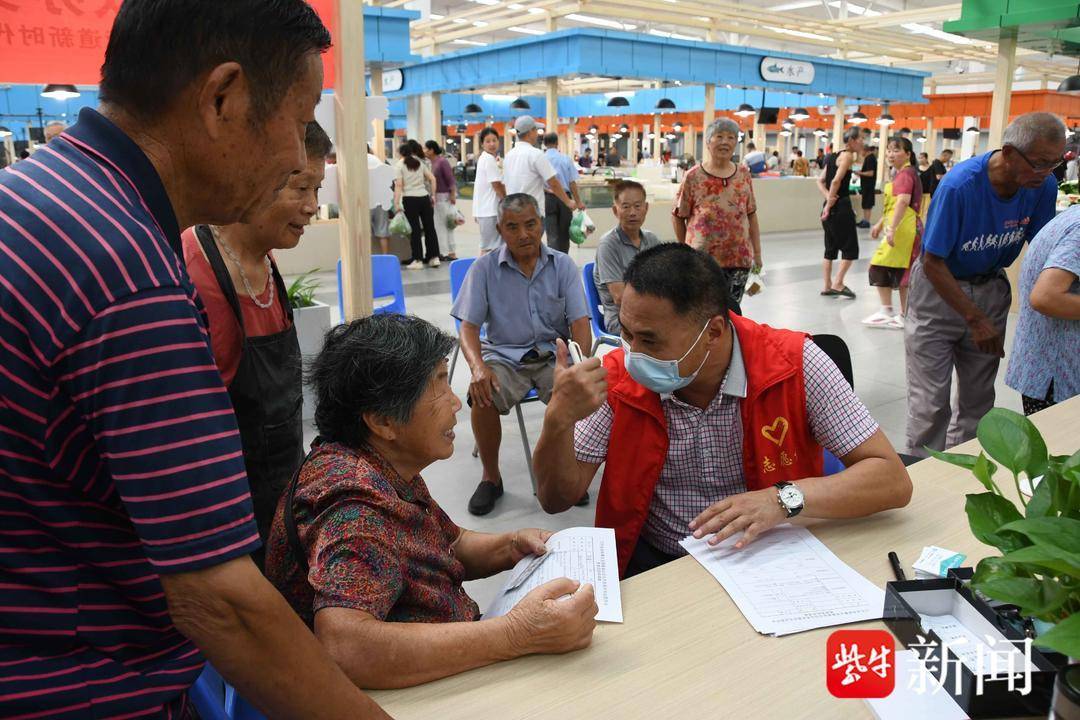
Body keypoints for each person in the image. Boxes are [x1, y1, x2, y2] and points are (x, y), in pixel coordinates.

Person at [0, 1, 388, 718]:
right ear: (223, 99)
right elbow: (221, 603)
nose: (299, 164)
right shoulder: (126, 269)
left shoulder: (39, 194)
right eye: (296, 123)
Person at [532, 244, 913, 577]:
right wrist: (557, 421)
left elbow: (892, 481)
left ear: (713, 332)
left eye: (650, 340)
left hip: (768, 555)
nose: (633, 353)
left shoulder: (793, 364)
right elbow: (556, 499)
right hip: (660, 563)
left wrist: (782, 499)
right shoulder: (617, 380)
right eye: (627, 333)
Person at [265, 314, 598, 689]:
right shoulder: (355, 511)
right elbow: (347, 645)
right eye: (438, 388)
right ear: (383, 421)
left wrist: (510, 545)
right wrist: (517, 633)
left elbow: (448, 543)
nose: (456, 403)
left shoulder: (380, 462)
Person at [181, 121, 330, 570]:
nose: (312, 207)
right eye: (301, 187)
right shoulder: (193, 270)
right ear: (253, 174)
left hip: (282, 501)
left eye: (318, 189)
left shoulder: (266, 260)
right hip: (224, 523)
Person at [906, 112, 1063, 457]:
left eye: (1055, 164)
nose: (1046, 173)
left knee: (979, 400)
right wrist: (974, 319)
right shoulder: (959, 186)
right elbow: (932, 262)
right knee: (930, 404)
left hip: (990, 288)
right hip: (940, 290)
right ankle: (918, 481)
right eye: (1039, 163)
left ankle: (964, 478)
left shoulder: (1042, 186)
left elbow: (1043, 247)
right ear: (1008, 152)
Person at [451, 194, 592, 516]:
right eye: (513, 227)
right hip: (504, 354)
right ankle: (492, 478)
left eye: (530, 224)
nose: (524, 234)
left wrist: (577, 363)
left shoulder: (563, 265)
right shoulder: (484, 269)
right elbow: (468, 328)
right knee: (483, 393)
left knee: (572, 393)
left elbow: (580, 322)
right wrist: (477, 368)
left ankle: (564, 475)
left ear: (541, 224)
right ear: (500, 230)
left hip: (551, 354)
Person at [673, 118, 762, 306]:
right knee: (704, 310)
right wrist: (685, 251)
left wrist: (758, 255)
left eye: (731, 137)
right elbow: (678, 215)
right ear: (707, 142)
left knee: (732, 311)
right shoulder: (693, 176)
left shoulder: (744, 174)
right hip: (702, 260)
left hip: (739, 259)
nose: (725, 142)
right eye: (719, 136)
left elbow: (751, 214)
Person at [1005, 206, 1080, 415]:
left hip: (1052, 367)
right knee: (1060, 445)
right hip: (1057, 376)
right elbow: (1045, 297)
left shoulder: (1073, 216)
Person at [863, 136, 922, 330]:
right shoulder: (899, 174)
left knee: (892, 268)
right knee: (895, 269)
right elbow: (892, 206)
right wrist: (881, 224)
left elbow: (903, 202)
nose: (890, 154)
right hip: (899, 226)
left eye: (896, 150)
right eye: (888, 150)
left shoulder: (905, 174)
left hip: (905, 229)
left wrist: (892, 228)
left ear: (908, 154)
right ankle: (892, 311)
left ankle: (897, 313)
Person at [594, 180, 661, 334]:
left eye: (638, 206)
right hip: (621, 319)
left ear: (646, 208)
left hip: (652, 315)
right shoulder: (608, 244)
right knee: (668, 333)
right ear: (615, 210)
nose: (632, 212)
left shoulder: (652, 240)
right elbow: (620, 297)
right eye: (626, 206)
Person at [817, 127, 864, 299]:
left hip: (828, 207)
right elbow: (836, 180)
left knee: (829, 248)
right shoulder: (848, 156)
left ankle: (827, 285)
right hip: (841, 206)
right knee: (850, 248)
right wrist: (830, 201)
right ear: (851, 140)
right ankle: (838, 283)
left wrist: (827, 200)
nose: (863, 142)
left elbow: (820, 181)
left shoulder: (832, 156)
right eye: (861, 138)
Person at [503, 116, 574, 223]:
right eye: (536, 130)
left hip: (513, 211)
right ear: (530, 132)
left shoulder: (508, 155)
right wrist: (568, 202)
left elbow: (518, 181)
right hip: (531, 213)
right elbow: (553, 182)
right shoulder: (536, 154)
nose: (537, 133)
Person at [394, 142, 440, 269]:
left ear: (401, 153)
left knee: (415, 231)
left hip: (410, 199)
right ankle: (434, 257)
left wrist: (396, 202)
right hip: (424, 198)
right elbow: (433, 179)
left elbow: (398, 185)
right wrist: (433, 195)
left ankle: (418, 260)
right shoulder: (419, 162)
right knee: (430, 228)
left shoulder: (399, 165)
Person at [543, 132, 586, 253]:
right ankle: (564, 261)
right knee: (564, 233)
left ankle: (553, 264)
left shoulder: (541, 159)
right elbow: (572, 183)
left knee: (552, 235)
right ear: (557, 143)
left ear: (544, 144)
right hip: (565, 199)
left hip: (548, 199)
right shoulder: (565, 159)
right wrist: (578, 202)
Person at [472, 126, 506, 255]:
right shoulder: (488, 159)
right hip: (489, 211)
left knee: (487, 247)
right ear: (482, 144)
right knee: (490, 249)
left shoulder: (485, 158)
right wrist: (506, 201)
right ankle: (481, 274)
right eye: (487, 141)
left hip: (485, 211)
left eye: (494, 140)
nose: (492, 144)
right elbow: (496, 185)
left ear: (498, 141)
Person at [424, 140, 459, 261]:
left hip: (444, 197)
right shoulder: (430, 163)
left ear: (432, 150)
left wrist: (453, 194)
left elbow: (450, 179)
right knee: (438, 226)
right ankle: (442, 251)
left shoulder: (442, 162)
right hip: (436, 197)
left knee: (448, 224)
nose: (424, 151)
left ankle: (451, 252)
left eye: (426, 149)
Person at [368, 145, 392, 254]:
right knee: (383, 232)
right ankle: (385, 257)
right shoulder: (375, 159)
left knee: (365, 233)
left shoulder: (356, 161)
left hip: (366, 202)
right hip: (381, 200)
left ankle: (366, 259)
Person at [856, 144, 877, 228]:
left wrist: (859, 173)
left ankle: (867, 221)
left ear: (865, 150)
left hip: (869, 185)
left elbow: (871, 173)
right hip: (866, 185)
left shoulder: (870, 158)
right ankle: (865, 220)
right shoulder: (868, 158)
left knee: (867, 204)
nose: (860, 153)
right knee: (865, 203)